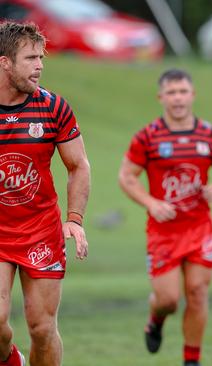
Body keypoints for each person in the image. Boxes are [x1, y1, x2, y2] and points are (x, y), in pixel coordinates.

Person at [118, 69, 212, 366]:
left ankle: (191, 361)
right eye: (171, 93)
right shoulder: (148, 136)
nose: (178, 98)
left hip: (199, 228)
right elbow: (126, 177)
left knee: (197, 293)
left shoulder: (209, 134)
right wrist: (150, 203)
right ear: (161, 97)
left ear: (192, 95)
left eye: (183, 91)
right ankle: (155, 319)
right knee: (169, 300)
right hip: (163, 232)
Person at [0, 21, 90, 366]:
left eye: (42, 57)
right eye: (30, 58)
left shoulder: (53, 107)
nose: (39, 66)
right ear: (5, 63)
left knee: (41, 327)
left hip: (39, 231)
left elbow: (78, 165)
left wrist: (75, 220)